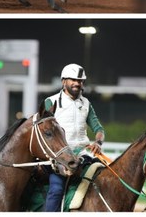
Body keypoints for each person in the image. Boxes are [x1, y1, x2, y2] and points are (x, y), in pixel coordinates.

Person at [42, 63, 105, 212]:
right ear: (64, 81)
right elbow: (43, 131)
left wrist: (98, 142)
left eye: (80, 80)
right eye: (73, 80)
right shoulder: (50, 102)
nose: (77, 83)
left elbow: (99, 129)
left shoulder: (86, 103)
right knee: (56, 190)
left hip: (84, 155)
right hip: (60, 158)